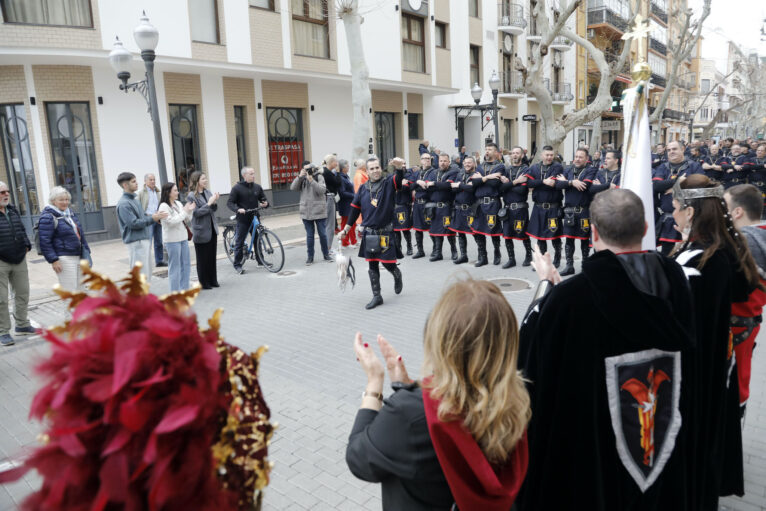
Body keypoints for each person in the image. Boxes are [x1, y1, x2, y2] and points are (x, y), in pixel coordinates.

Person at [518, 189, 696, 510]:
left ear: (593, 232)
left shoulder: (570, 300)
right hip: (659, 448)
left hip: (592, 464)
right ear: (645, 228)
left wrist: (547, 287)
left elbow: (529, 366)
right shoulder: (677, 285)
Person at [346, 279, 530, 510]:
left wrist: (374, 382)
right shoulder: (514, 400)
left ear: (441, 342)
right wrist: (405, 386)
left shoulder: (410, 414)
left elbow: (358, 459)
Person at [670, 175, 762, 507]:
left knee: (694, 441)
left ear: (691, 213)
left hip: (696, 368)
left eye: (677, 208)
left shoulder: (702, 259)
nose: (673, 214)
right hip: (714, 362)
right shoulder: (721, 249)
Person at [724, 184, 766, 416]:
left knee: (731, 386)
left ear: (737, 212)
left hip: (734, 329)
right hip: (749, 327)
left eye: (725, 207)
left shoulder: (740, 245)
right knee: (741, 381)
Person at [340, 157, 404, 309]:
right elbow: (355, 210)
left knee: (388, 264)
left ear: (380, 168)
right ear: (367, 171)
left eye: (377, 168)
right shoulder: (363, 189)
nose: (375, 171)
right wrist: (346, 229)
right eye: (372, 169)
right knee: (372, 265)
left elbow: (399, 179)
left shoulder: (389, 183)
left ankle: (396, 274)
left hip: (385, 233)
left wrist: (400, 167)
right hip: (370, 234)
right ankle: (377, 296)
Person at [0, 181, 35, 346]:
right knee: (1, 299)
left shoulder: (12, 210)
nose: (6, 194)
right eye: (2, 192)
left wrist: (27, 244)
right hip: (1, 261)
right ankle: (3, 331)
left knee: (22, 293)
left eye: (7, 191)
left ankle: (22, 325)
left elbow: (21, 228)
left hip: (19, 258)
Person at [652, 141, 702, 254]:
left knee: (691, 254)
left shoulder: (694, 166)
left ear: (683, 149)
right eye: (669, 150)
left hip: (690, 219)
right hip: (668, 220)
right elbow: (656, 186)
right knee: (667, 257)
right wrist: (677, 182)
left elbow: (700, 187)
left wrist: (672, 187)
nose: (671, 152)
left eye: (674, 149)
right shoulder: (663, 167)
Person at [116, 172, 168, 279]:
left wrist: (154, 216)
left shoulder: (134, 200)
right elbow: (133, 223)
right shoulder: (124, 204)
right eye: (133, 181)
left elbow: (143, 216)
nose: (137, 183)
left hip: (142, 240)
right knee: (140, 275)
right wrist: (152, 218)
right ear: (125, 185)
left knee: (146, 274)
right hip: (136, 242)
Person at [38, 186, 90, 291]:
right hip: (64, 258)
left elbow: (80, 235)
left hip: (78, 255)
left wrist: (86, 252)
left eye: (67, 199)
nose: (65, 202)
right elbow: (45, 242)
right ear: (53, 201)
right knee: (70, 292)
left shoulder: (70, 214)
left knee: (82, 290)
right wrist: (54, 260)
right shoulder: (48, 216)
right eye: (61, 200)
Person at [556, 147, 597, 275]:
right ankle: (569, 266)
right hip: (569, 212)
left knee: (584, 239)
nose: (577, 159)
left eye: (580, 157)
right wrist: (572, 182)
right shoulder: (568, 170)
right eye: (576, 156)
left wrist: (567, 182)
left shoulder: (591, 170)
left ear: (586, 159)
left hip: (584, 211)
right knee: (569, 239)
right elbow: (558, 185)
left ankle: (585, 266)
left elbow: (585, 186)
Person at [525, 145, 564, 266]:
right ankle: (542, 261)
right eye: (547, 155)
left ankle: (557, 258)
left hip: (553, 207)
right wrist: (542, 181)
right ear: (541, 155)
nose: (549, 157)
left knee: (555, 235)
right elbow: (529, 183)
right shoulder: (535, 168)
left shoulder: (558, 167)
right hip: (539, 207)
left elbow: (553, 182)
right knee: (540, 236)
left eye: (551, 155)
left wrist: (539, 183)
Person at [227, 167, 269, 274]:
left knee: (257, 239)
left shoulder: (257, 187)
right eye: (251, 174)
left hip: (255, 217)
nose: (253, 175)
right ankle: (237, 265)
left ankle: (260, 261)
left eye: (254, 173)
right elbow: (230, 203)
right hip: (243, 219)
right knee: (239, 242)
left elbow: (263, 200)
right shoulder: (237, 188)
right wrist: (238, 209)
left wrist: (266, 204)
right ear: (244, 175)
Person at [471, 142, 506, 267]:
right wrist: (489, 177)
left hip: (493, 203)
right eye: (486, 149)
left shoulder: (500, 166)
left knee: (493, 229)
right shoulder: (480, 166)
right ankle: (483, 256)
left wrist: (481, 179)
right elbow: (474, 183)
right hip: (480, 204)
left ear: (496, 153)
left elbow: (495, 184)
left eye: (490, 149)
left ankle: (497, 253)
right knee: (479, 231)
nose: (487, 151)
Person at [291, 162, 332, 265]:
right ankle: (310, 257)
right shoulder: (302, 178)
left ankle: (326, 254)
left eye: (309, 169)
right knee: (309, 235)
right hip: (306, 211)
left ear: (313, 169)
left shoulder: (319, 177)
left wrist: (312, 181)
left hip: (319, 210)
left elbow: (322, 190)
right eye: (305, 169)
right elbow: (293, 188)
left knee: (322, 234)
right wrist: (300, 177)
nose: (308, 171)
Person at [499, 146, 533, 267]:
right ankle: (511, 259)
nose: (514, 155)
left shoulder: (526, 169)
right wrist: (515, 182)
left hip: (520, 208)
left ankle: (529, 256)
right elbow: (500, 189)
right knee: (507, 235)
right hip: (507, 208)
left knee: (523, 233)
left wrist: (508, 185)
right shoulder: (506, 170)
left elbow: (522, 190)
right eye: (512, 153)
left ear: (522, 155)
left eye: (517, 153)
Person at [158, 182, 195, 292]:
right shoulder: (163, 206)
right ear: (168, 192)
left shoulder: (178, 203)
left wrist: (190, 210)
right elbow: (171, 221)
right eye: (175, 190)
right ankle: (175, 292)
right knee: (175, 267)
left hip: (183, 238)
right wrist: (185, 212)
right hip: (172, 240)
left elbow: (187, 219)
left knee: (186, 264)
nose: (178, 192)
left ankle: (184, 289)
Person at [186, 171, 220, 290]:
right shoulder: (191, 196)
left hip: (212, 228)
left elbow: (213, 209)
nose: (206, 181)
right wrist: (209, 204)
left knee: (211, 256)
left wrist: (214, 202)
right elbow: (196, 213)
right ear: (197, 181)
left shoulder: (208, 192)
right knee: (202, 258)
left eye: (206, 178)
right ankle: (204, 282)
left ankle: (213, 280)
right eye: (203, 179)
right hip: (201, 230)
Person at [423, 154, 458, 262]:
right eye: (441, 161)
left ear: (449, 162)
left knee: (449, 231)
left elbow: (447, 186)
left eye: (445, 161)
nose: (442, 163)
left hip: (446, 206)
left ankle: (454, 251)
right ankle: (438, 253)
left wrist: (434, 184)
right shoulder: (434, 172)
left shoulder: (453, 172)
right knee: (436, 231)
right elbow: (427, 186)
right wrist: (438, 185)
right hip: (435, 207)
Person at [449, 155, 477, 264]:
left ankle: (482, 256)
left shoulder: (476, 174)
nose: (467, 164)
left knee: (476, 233)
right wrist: (463, 186)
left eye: (469, 162)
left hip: (471, 209)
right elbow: (452, 189)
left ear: (474, 164)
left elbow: (472, 189)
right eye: (465, 163)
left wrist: (459, 185)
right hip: (459, 208)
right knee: (460, 233)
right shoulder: (460, 174)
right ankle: (463, 255)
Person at [137, 173, 165, 267]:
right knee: (147, 242)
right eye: (151, 180)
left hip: (157, 219)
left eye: (154, 179)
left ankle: (159, 261)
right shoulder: (141, 193)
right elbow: (138, 207)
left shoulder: (157, 192)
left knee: (159, 241)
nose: (153, 181)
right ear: (145, 181)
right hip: (148, 219)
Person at [410, 153, 434, 259]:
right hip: (417, 204)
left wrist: (419, 185)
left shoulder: (434, 172)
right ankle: (420, 250)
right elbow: (411, 186)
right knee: (418, 228)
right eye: (425, 158)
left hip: (428, 203)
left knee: (432, 227)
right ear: (421, 160)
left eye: (429, 158)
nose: (427, 160)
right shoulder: (417, 173)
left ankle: (436, 251)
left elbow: (429, 187)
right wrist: (418, 182)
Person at [392, 159, 414, 256]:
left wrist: (401, 185)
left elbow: (408, 187)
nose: (404, 165)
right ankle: (398, 248)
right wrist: (401, 184)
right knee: (396, 230)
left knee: (405, 229)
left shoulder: (409, 175)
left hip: (405, 206)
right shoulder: (391, 176)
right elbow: (393, 188)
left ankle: (409, 247)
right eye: (402, 164)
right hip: (394, 206)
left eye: (405, 163)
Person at [321, 155, 342, 253]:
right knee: (330, 224)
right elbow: (338, 183)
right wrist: (338, 172)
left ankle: (326, 247)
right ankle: (328, 248)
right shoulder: (328, 173)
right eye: (335, 162)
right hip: (329, 198)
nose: (337, 163)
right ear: (332, 162)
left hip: (326, 198)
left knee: (327, 223)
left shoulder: (324, 171)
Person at [337, 159, 357, 247]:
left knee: (351, 223)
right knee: (346, 224)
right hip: (345, 204)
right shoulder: (341, 178)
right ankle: (346, 242)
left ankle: (351, 241)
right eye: (347, 166)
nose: (349, 167)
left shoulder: (345, 176)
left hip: (349, 203)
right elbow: (342, 193)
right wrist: (354, 195)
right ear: (343, 168)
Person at [745, 143, 766, 217]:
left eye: (761, 150)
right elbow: (751, 167)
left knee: (764, 205)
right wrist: (763, 166)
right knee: (752, 202)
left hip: (764, 186)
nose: (759, 152)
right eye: (758, 150)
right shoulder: (751, 159)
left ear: (765, 152)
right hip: (753, 185)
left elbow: (755, 168)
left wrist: (756, 168)